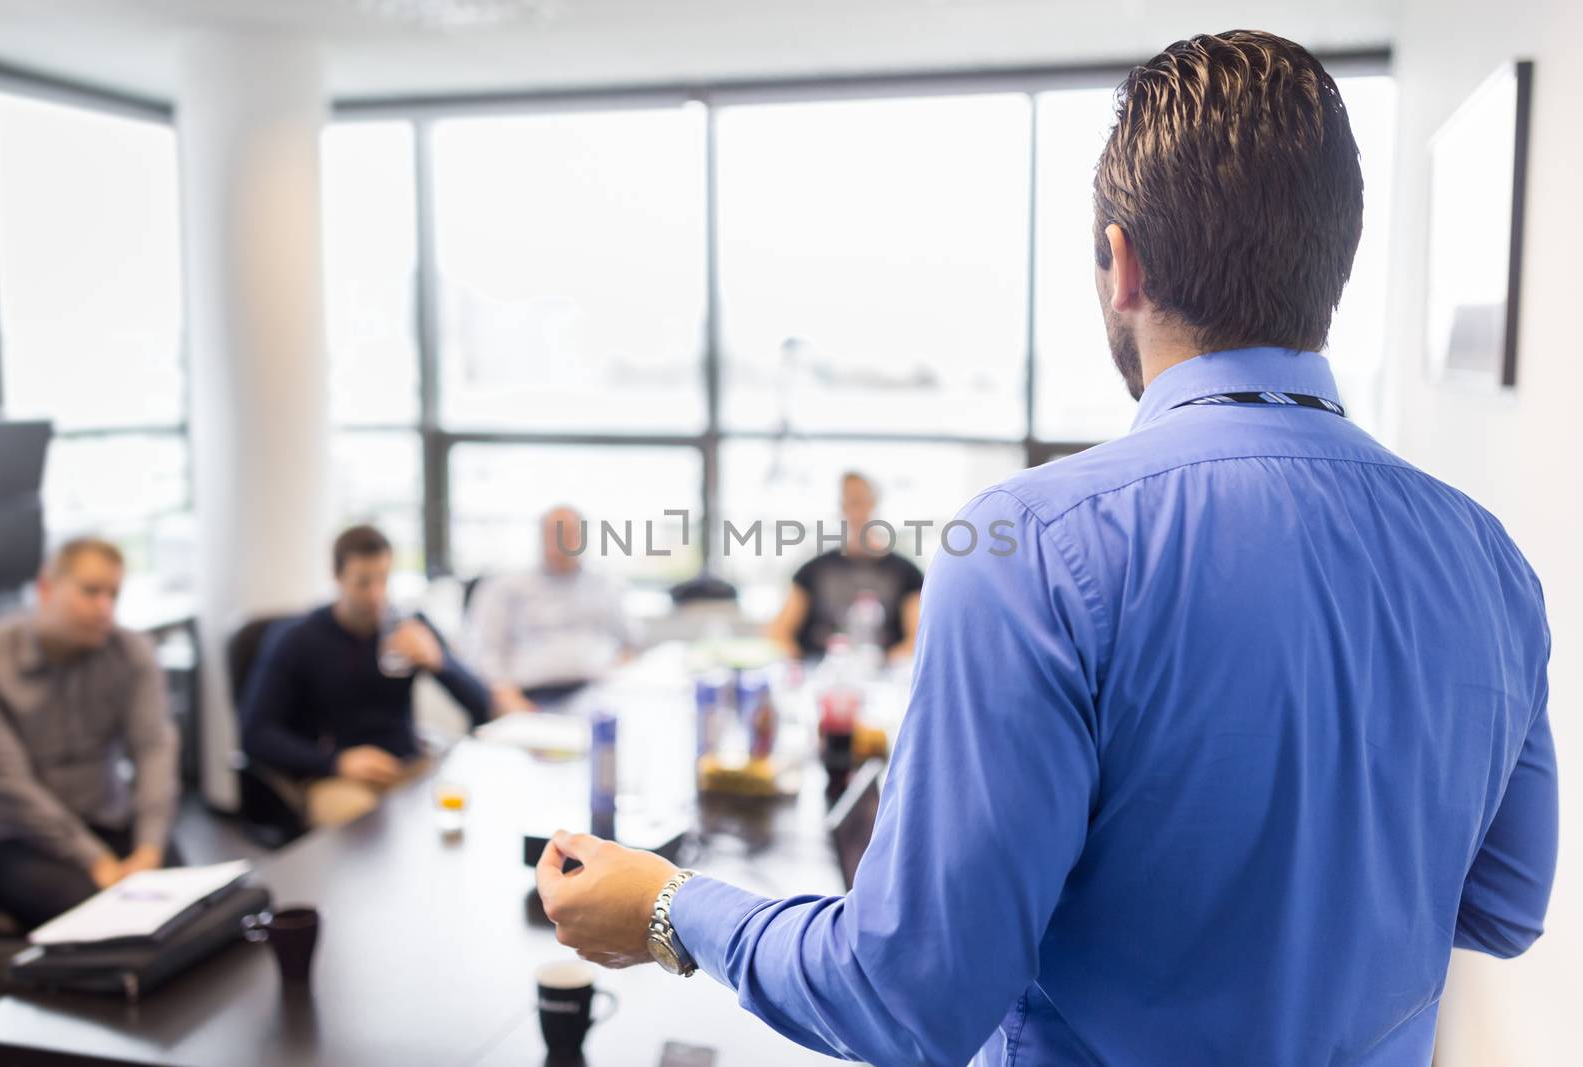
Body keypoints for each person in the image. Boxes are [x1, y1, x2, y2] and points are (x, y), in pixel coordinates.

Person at [534, 31, 1557, 1066]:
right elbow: (1506, 901)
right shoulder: (1490, 561)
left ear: (1122, 263)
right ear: (1331, 261)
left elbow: (905, 1000)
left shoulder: (1035, 545)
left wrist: (670, 909)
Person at [0, 539, 181, 931]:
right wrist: (96, 860)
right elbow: (11, 785)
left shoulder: (130, 652)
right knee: (105, 917)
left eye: (113, 595)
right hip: (20, 837)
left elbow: (154, 747)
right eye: (90, 591)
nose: (104, 608)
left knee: (183, 901)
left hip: (107, 817)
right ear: (45, 588)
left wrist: (148, 847)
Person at [240, 525, 492, 827]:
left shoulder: (407, 626)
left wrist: (440, 663)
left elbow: (482, 705)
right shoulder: (299, 640)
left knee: (462, 810)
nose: (376, 595)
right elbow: (255, 733)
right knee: (364, 832)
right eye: (363, 583)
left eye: (384, 580)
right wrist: (336, 762)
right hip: (336, 775)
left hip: (406, 766)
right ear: (337, 576)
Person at [462, 506, 636, 714]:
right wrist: (509, 699)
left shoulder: (605, 584)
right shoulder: (505, 586)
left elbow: (629, 644)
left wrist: (620, 683)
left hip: (598, 693)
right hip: (533, 697)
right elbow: (484, 652)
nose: (562, 541)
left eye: (570, 533)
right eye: (555, 533)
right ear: (541, 537)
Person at [767, 471, 923, 660]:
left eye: (860, 501)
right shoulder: (813, 570)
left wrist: (885, 667)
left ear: (873, 503)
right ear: (842, 507)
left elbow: (917, 639)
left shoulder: (906, 573)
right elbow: (779, 632)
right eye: (850, 502)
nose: (856, 511)